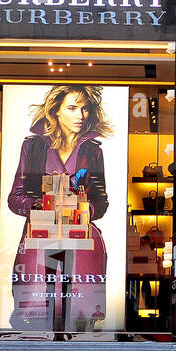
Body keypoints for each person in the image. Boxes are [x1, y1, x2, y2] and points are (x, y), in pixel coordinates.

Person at [7, 84, 111, 333]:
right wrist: (41, 205)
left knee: (79, 309)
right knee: (40, 304)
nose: (80, 115)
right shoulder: (32, 148)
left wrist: (84, 209)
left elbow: (101, 200)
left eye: (85, 109)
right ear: (56, 111)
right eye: (73, 108)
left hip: (79, 237)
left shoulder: (92, 151)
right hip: (42, 236)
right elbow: (15, 197)